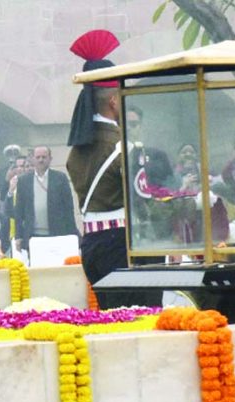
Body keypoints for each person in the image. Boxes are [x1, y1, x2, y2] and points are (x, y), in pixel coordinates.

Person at [66, 29, 161, 309]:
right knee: (141, 320)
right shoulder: (126, 146)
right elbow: (144, 204)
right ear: (113, 101)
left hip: (92, 244)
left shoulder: (77, 150)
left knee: (113, 320)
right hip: (124, 245)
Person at [14, 145, 78, 252]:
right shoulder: (24, 181)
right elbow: (19, 211)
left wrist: (72, 233)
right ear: (32, 159)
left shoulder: (60, 178)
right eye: (38, 157)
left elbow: (68, 208)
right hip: (33, 236)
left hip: (57, 233)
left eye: (44, 157)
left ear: (50, 159)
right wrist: (18, 236)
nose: (41, 160)